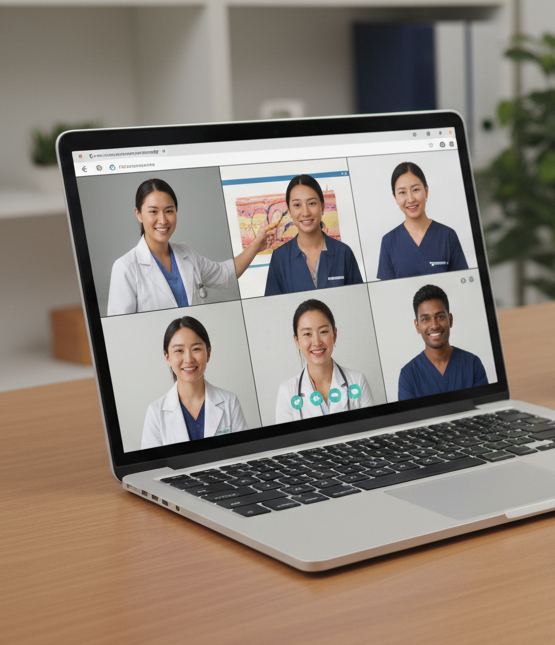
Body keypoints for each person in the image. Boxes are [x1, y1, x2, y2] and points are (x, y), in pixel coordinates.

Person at [107, 179, 280, 315]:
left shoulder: (186, 253)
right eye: (153, 211)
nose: (163, 220)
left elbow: (224, 275)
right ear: (138, 214)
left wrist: (256, 245)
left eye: (169, 210)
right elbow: (120, 330)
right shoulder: (125, 267)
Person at [141, 316, 248, 449]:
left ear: (208, 353)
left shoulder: (229, 402)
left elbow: (243, 454)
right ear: (167, 357)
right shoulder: (155, 413)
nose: (188, 359)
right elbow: (154, 467)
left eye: (196, 349)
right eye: (179, 351)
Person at [274, 298, 374, 423]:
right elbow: (287, 441)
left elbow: (370, 432)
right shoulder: (287, 392)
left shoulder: (358, 381)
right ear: (297, 341)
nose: (316, 342)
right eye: (307, 334)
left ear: (334, 335)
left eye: (323, 332)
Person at [264, 175, 364, 295]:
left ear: (322, 206)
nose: (305, 213)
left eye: (312, 203)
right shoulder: (279, 258)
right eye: (297, 205)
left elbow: (359, 302)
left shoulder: (343, 253)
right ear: (289, 211)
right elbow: (273, 309)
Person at [375, 162, 469, 280]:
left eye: (415, 189)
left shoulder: (448, 236)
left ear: (426, 191)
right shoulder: (389, 242)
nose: (410, 199)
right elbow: (386, 293)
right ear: (395, 198)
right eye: (402, 192)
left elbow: (463, 284)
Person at [397, 284, 487, 401]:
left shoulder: (472, 364)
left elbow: (484, 409)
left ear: (450, 320)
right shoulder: (408, 375)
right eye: (425, 319)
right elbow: (411, 419)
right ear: (417, 326)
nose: (434, 325)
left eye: (440, 317)